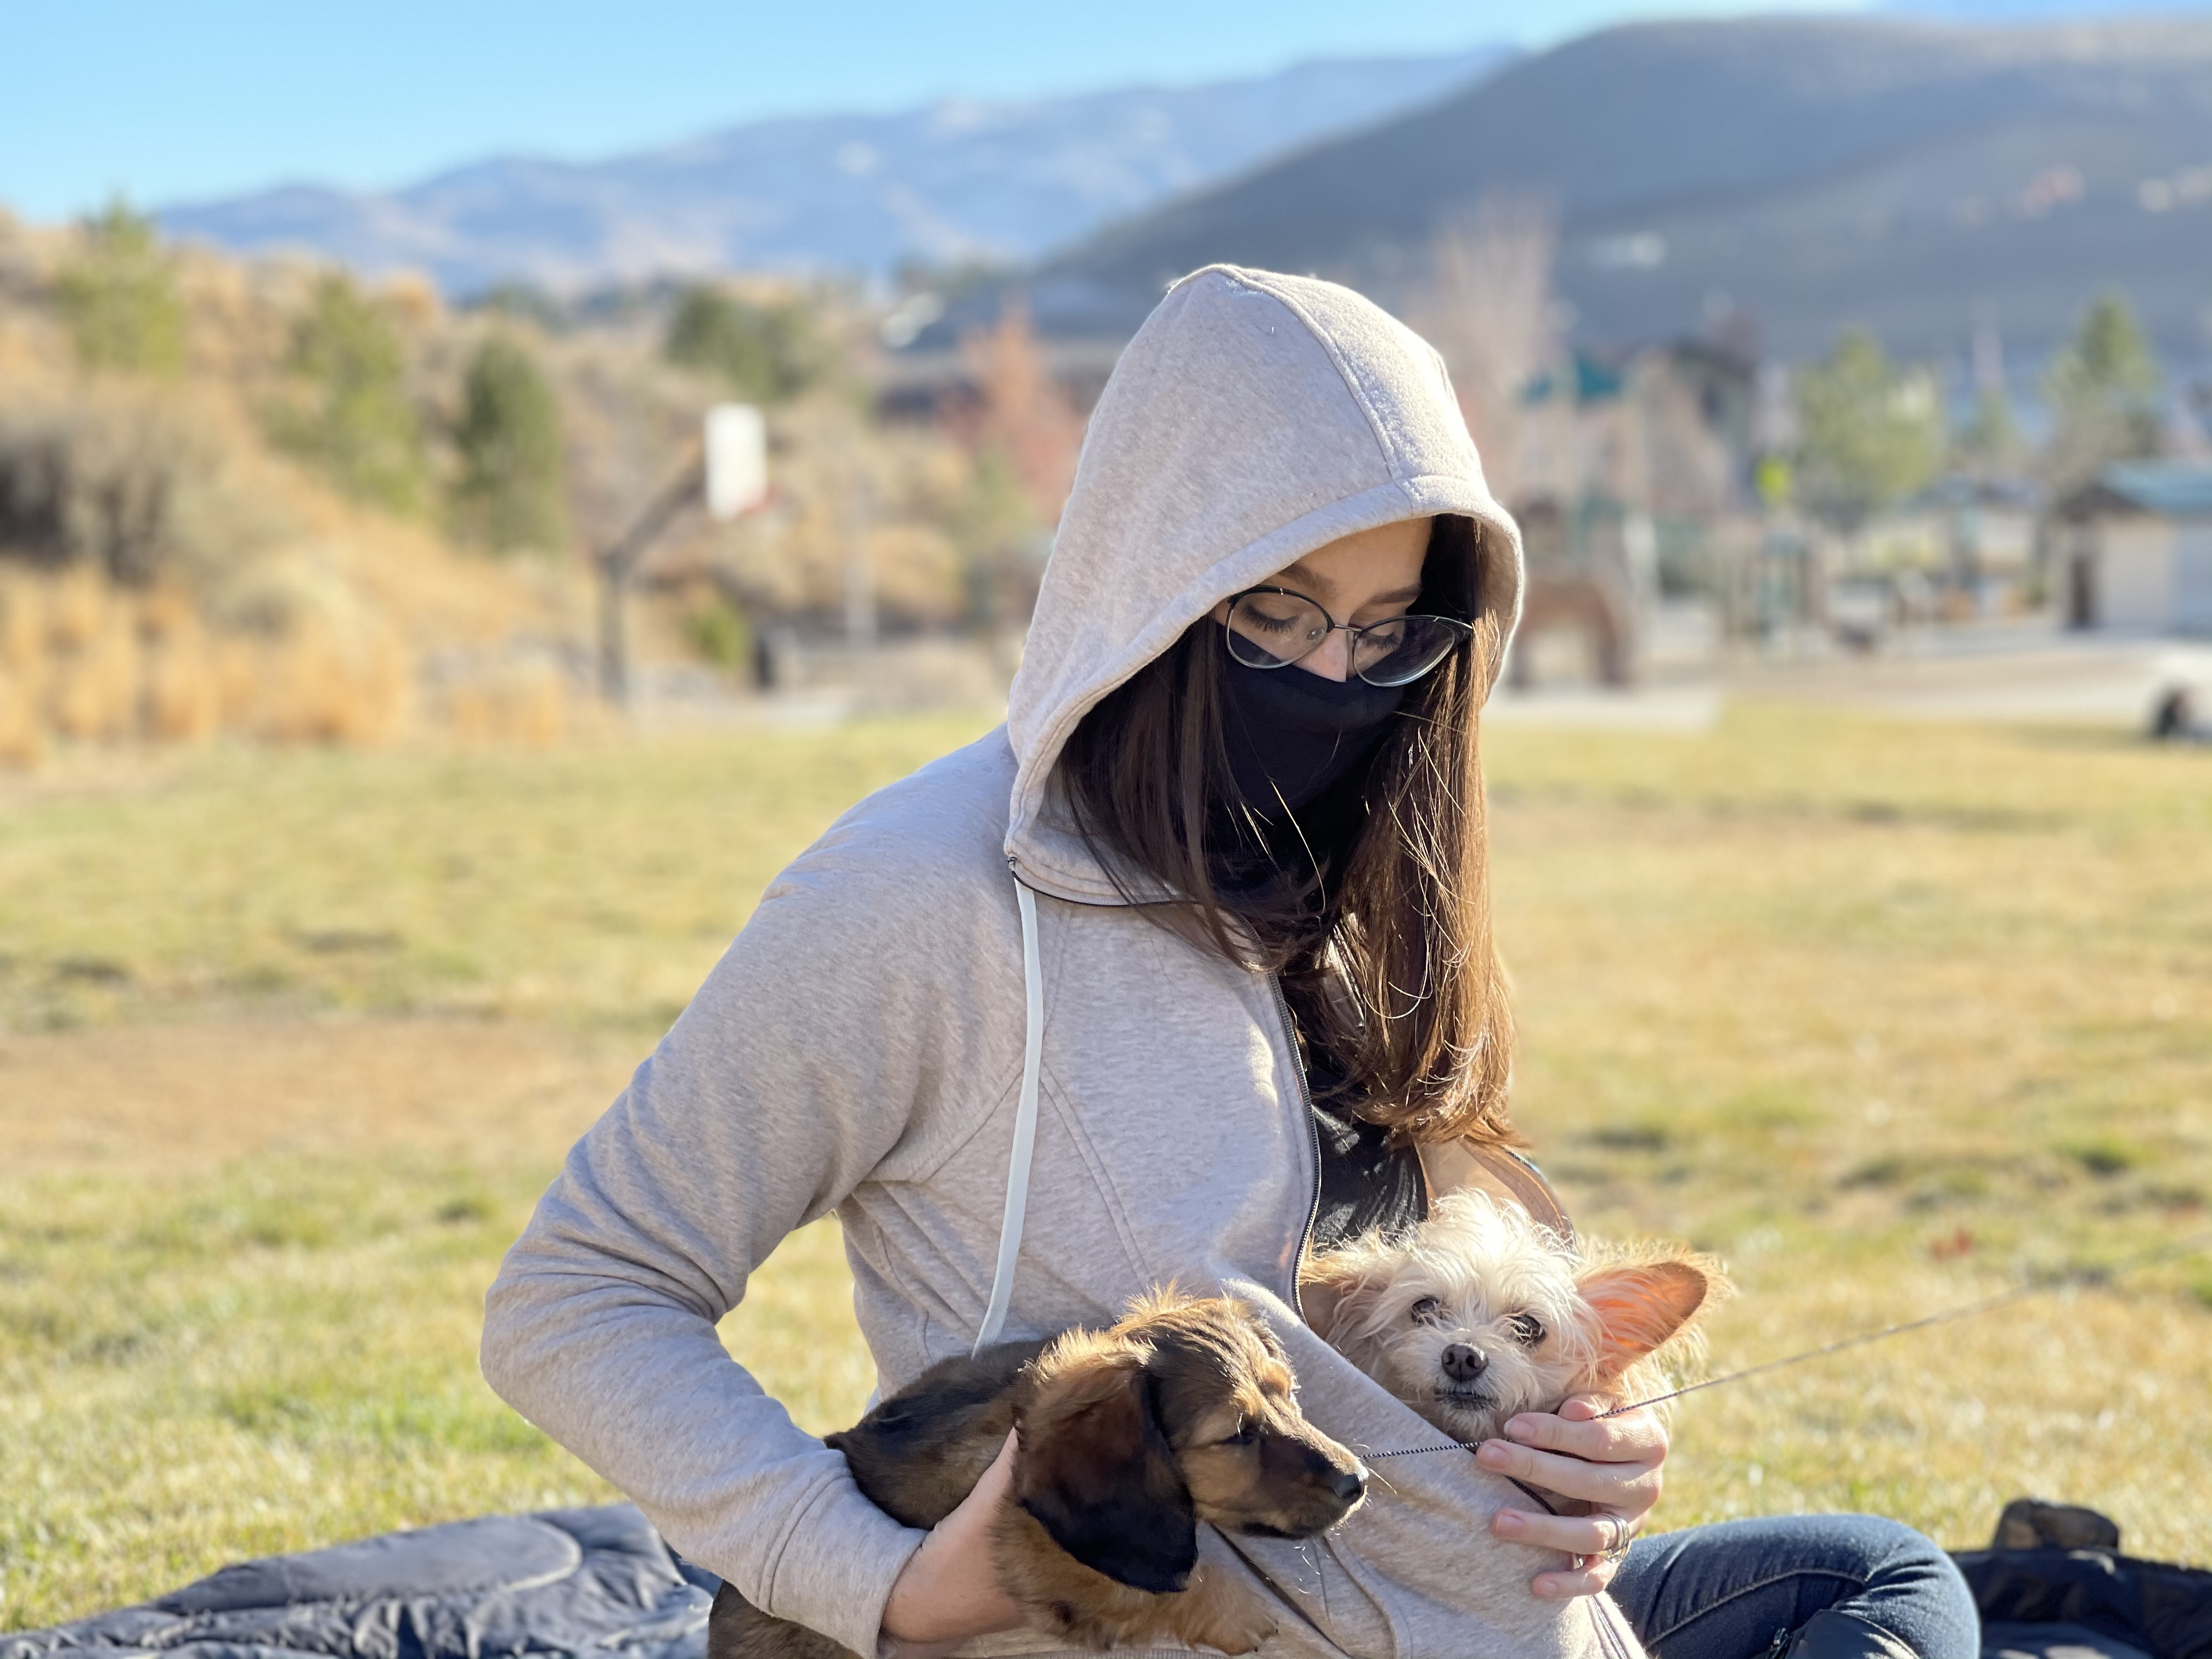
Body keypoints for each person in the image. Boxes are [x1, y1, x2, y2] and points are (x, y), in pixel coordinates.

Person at [482, 267, 1976, 1659]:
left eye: (1390, 630)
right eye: (1274, 612)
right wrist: (877, 1583)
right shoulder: (921, 896)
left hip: (1462, 1591)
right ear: (1148, 583)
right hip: (1218, 1625)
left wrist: (1597, 1437)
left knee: (1874, 1575)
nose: (1334, 682)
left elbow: (1442, 1283)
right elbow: (580, 1296)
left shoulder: (1330, 860)